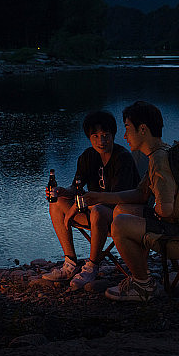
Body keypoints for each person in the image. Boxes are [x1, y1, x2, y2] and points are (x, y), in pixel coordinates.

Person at [80, 101, 179, 302]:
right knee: (122, 210)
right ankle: (141, 275)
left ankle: (142, 285)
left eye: (128, 128)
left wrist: (151, 213)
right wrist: (100, 197)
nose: (124, 136)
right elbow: (140, 195)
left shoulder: (159, 161)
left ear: (143, 129)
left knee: (120, 223)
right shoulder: (161, 151)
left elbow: (165, 210)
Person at [43, 111, 141, 289]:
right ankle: (70, 263)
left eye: (105, 136)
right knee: (56, 202)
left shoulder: (122, 158)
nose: (101, 141)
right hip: (94, 213)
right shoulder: (89, 156)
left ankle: (92, 266)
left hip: (121, 218)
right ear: (89, 137)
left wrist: (78, 206)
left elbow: (116, 200)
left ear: (113, 135)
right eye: (95, 136)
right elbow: (76, 188)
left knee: (97, 210)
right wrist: (63, 191)